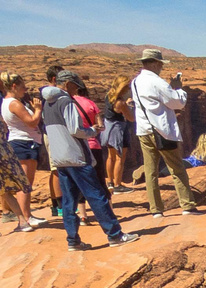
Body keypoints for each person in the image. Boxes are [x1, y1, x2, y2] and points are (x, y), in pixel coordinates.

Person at [42, 70, 139, 252]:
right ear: (68, 84)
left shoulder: (47, 104)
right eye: (75, 86)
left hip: (60, 158)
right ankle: (115, 235)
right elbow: (75, 130)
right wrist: (93, 131)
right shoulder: (66, 102)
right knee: (97, 195)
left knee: (69, 201)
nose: (76, 90)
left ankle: (73, 241)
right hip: (77, 157)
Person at [131, 49, 197, 219]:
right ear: (154, 63)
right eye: (160, 64)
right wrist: (178, 88)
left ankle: (156, 210)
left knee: (150, 171)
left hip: (143, 131)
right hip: (161, 131)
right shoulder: (157, 82)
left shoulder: (136, 82)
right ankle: (187, 205)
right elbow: (177, 103)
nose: (161, 67)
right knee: (177, 168)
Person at [0, 72, 46, 228]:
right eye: (23, 86)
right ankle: (25, 218)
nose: (25, 90)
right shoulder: (14, 103)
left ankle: (27, 216)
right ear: (14, 86)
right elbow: (32, 122)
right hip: (24, 144)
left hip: (22, 143)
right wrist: (38, 109)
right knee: (25, 183)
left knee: (25, 182)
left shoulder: (7, 102)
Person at [72, 87, 108, 223]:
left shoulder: (69, 104)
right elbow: (101, 126)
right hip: (93, 145)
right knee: (100, 180)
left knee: (81, 181)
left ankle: (83, 216)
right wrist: (92, 129)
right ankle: (107, 212)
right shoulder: (91, 104)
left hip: (77, 147)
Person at [102, 74, 135, 193]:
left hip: (108, 128)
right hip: (118, 129)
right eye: (127, 86)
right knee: (120, 157)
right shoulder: (120, 102)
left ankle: (110, 182)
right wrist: (129, 105)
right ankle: (117, 185)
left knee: (111, 156)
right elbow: (131, 118)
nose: (129, 89)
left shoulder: (109, 95)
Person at [0, 130, 32, 231]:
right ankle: (22, 222)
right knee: (5, 191)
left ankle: (22, 221)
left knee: (4, 190)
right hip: (5, 152)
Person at [43, 64, 64, 216]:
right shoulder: (50, 94)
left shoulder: (44, 93)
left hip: (50, 132)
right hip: (52, 133)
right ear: (55, 78)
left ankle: (55, 206)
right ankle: (60, 205)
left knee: (55, 168)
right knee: (56, 168)